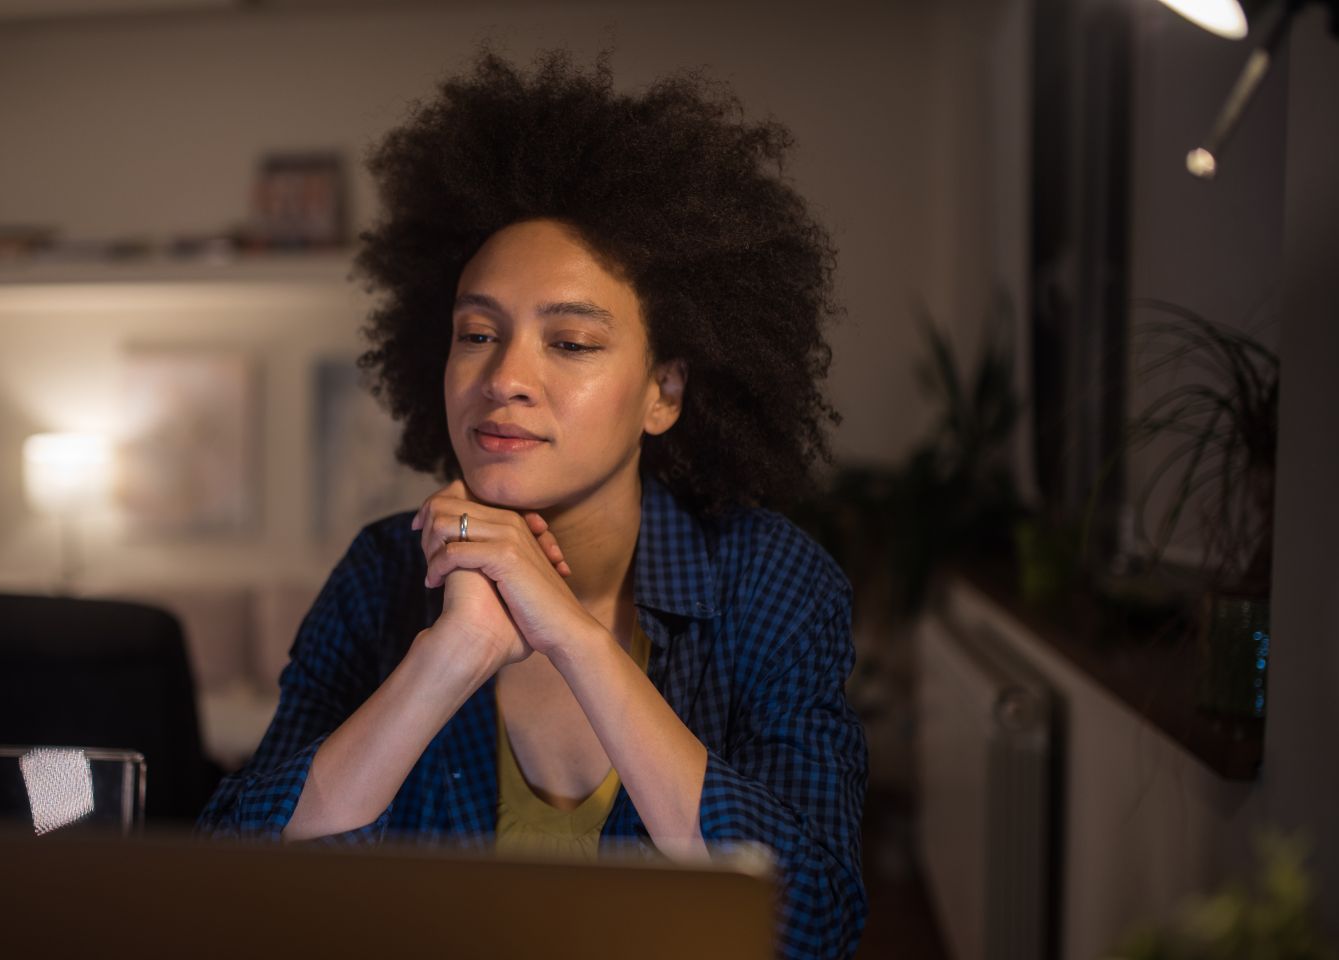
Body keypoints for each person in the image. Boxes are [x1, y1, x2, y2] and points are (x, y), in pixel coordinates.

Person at [199, 49, 867, 958]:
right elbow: (234, 876)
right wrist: (452, 656)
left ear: (663, 392)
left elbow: (811, 925)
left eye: (571, 342)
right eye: (478, 333)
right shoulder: (384, 574)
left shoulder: (770, 582)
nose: (504, 377)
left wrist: (578, 643)